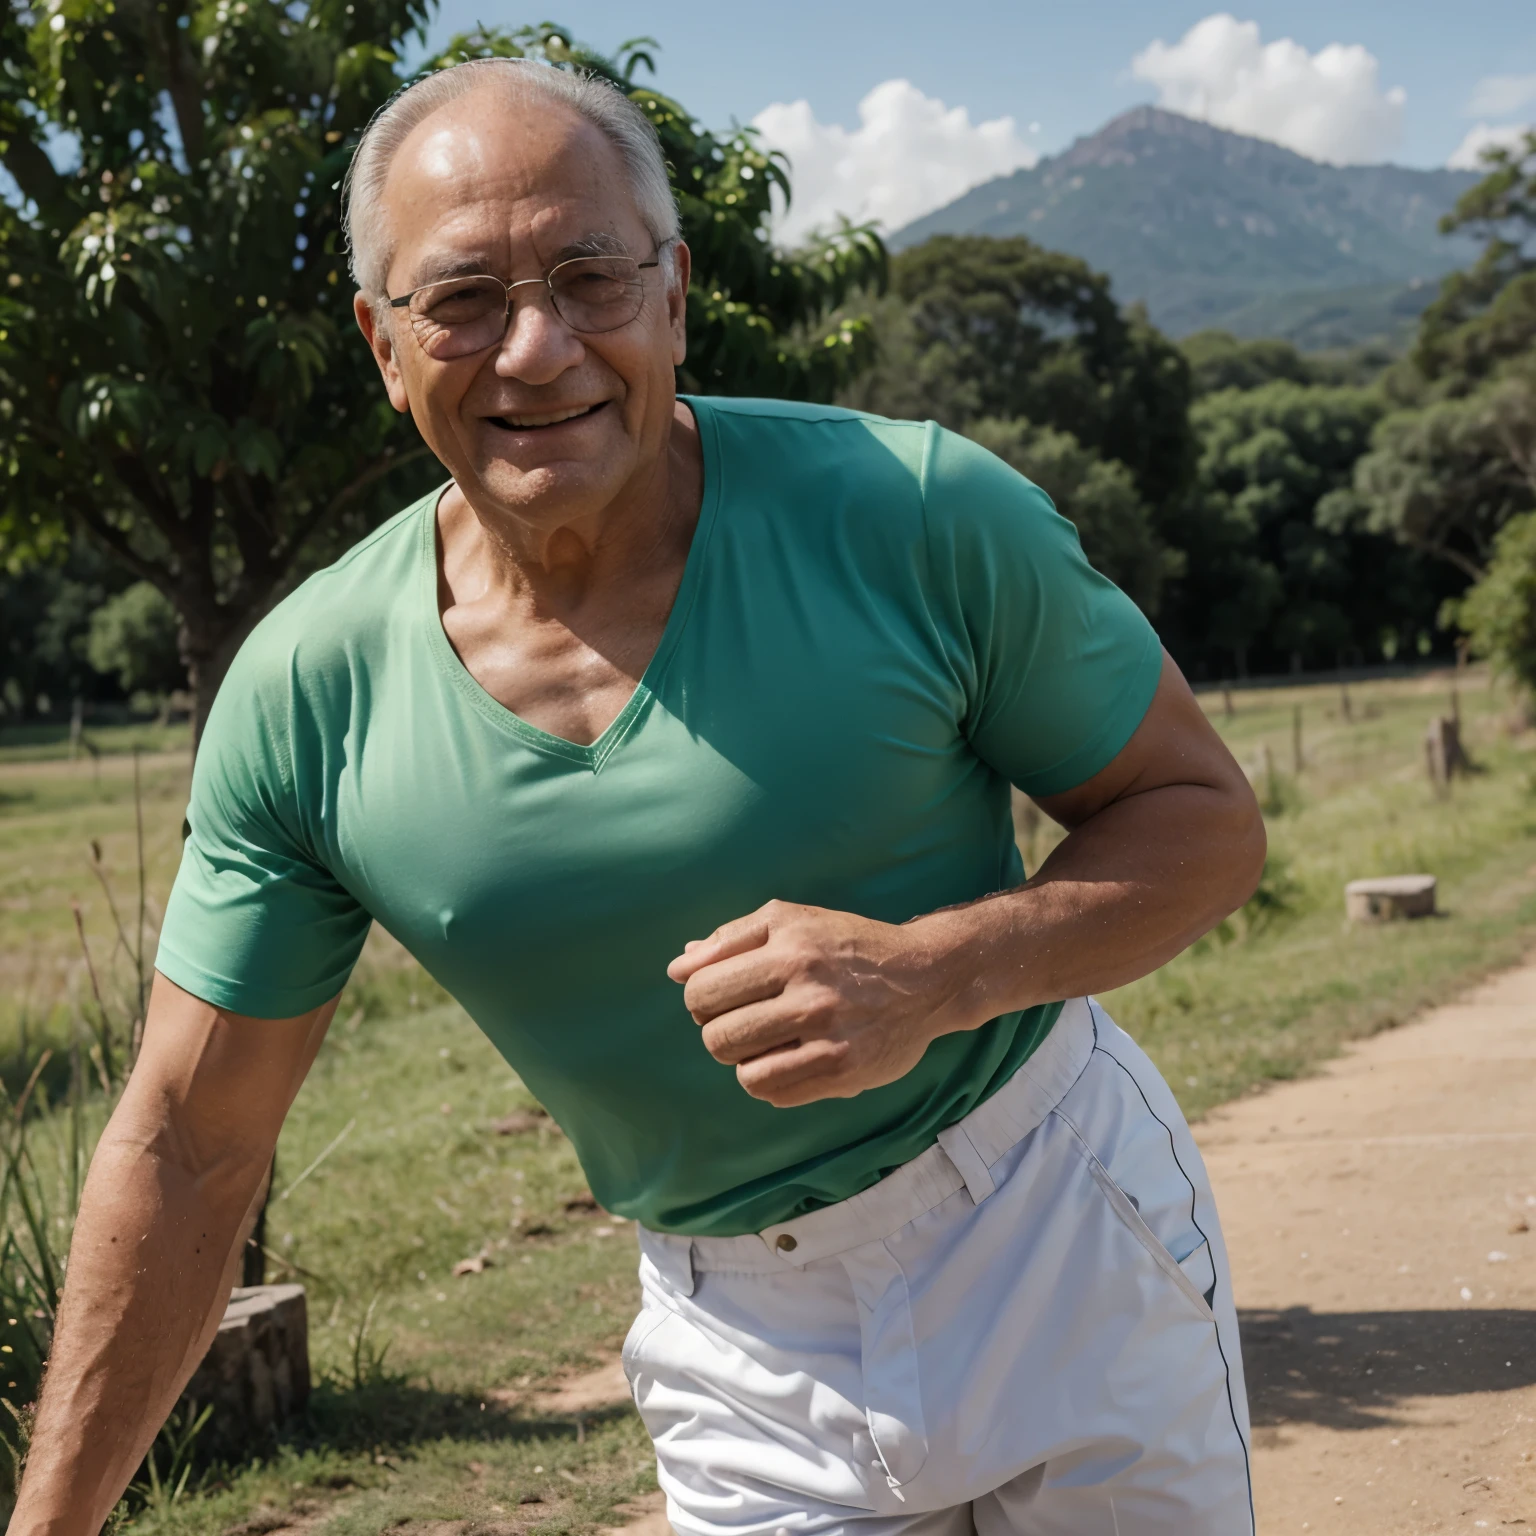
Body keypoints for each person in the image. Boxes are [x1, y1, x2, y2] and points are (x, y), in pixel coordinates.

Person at [13, 58, 1267, 1536]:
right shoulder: (307, 695)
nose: (537, 350)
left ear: (674, 292)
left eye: (590, 276)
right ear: (380, 340)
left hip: (1055, 1226)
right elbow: (184, 1141)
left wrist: (936, 973)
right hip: (739, 1341)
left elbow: (1204, 823)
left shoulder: (915, 513)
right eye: (463, 298)